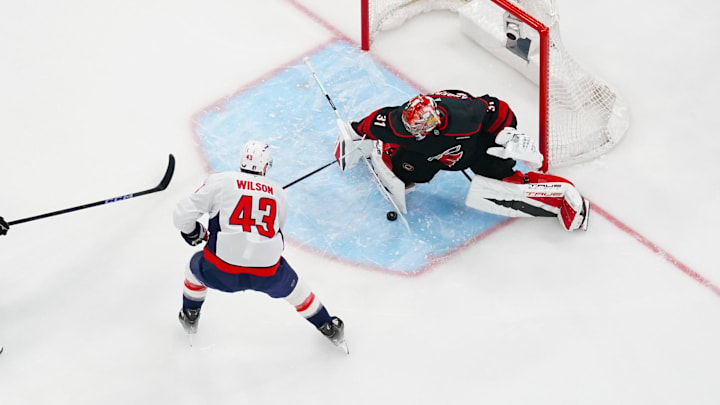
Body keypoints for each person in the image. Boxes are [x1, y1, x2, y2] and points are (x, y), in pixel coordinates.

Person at [173, 140, 345, 348]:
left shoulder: (220, 181)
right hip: (267, 274)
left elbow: (181, 215)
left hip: (221, 271)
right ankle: (328, 327)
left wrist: (193, 232)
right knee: (298, 291)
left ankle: (191, 315)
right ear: (265, 166)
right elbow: (276, 233)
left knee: (194, 268)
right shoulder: (278, 192)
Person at [349, 89, 589, 231]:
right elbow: (372, 123)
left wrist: (507, 132)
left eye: (419, 129)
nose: (412, 132)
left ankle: (547, 192)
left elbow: (498, 109)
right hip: (430, 154)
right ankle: (391, 152)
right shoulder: (399, 123)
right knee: (409, 173)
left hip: (473, 146)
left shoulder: (464, 116)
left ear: (433, 125)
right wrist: (356, 132)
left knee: (496, 171)